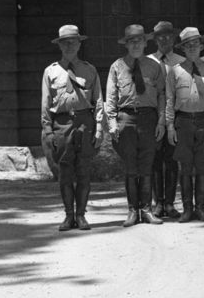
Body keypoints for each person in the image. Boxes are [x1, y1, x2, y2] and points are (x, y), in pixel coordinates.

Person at [42, 25, 104, 231]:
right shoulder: (51, 71)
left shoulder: (89, 70)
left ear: (79, 44)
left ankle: (81, 215)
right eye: (65, 43)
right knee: (65, 173)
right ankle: (69, 216)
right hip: (61, 125)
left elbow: (98, 100)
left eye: (73, 42)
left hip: (85, 123)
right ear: (59, 45)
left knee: (84, 171)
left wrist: (99, 128)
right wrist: (48, 130)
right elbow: (45, 103)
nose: (69, 46)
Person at [105, 24, 166, 227]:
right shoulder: (117, 66)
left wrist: (161, 121)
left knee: (147, 166)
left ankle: (146, 210)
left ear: (145, 43)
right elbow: (111, 96)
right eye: (132, 42)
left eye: (139, 41)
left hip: (149, 119)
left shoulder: (155, 66)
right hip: (126, 119)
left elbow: (162, 95)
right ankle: (132, 211)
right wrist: (112, 122)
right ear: (126, 44)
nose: (136, 45)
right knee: (131, 167)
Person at [165, 27, 204, 223]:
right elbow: (169, 100)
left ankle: (200, 208)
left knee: (202, 168)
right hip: (183, 122)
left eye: (195, 44)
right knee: (185, 168)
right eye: (187, 45)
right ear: (182, 48)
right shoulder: (175, 71)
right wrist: (170, 126)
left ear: (201, 46)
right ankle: (187, 209)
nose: (192, 48)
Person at [149, 21, 183, 219]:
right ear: (155, 39)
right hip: (153, 116)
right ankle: (158, 203)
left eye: (168, 35)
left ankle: (169, 203)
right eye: (160, 36)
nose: (164, 39)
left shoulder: (181, 61)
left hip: (175, 117)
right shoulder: (146, 61)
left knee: (171, 160)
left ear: (174, 38)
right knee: (155, 160)